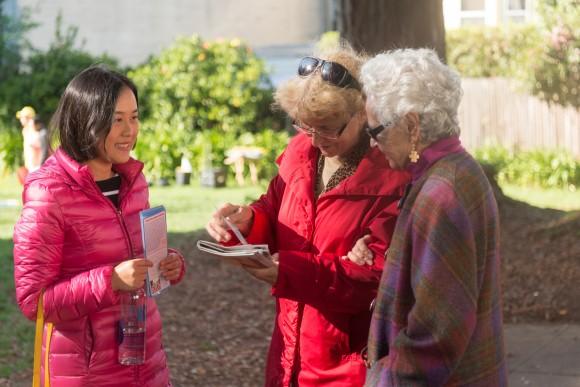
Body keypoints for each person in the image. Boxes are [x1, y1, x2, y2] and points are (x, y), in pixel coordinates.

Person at [206, 44, 410, 386]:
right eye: (307, 126)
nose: (317, 139)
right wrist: (247, 221)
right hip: (290, 349)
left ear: (362, 113)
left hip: (349, 364)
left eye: (329, 127)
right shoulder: (300, 153)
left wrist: (288, 272)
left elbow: (374, 278)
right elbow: (274, 210)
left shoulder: (390, 177)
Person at [13, 66, 185, 386]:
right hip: (83, 372)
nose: (129, 130)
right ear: (85, 120)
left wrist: (166, 261)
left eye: (134, 117)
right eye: (117, 119)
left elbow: (135, 254)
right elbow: (34, 301)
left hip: (145, 361)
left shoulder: (133, 181)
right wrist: (111, 280)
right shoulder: (48, 191)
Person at [351, 48, 507, 386]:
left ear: (412, 124)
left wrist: (383, 379)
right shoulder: (456, 169)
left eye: (375, 131)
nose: (373, 143)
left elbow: (435, 337)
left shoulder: (442, 192)